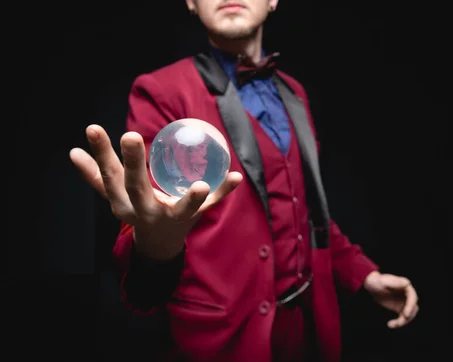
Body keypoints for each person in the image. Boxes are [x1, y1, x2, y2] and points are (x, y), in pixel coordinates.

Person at [69, 0, 419, 361]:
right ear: (191, 2)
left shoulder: (294, 92)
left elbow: (305, 209)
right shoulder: (160, 90)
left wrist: (363, 275)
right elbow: (152, 212)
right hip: (225, 337)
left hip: (310, 332)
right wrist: (154, 246)